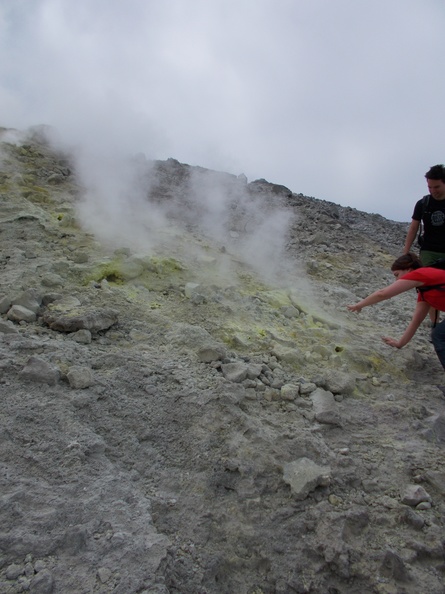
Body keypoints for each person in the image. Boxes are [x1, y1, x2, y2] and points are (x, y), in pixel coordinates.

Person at [347, 252, 445, 370]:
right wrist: (400, 343)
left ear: (409, 269)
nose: (397, 280)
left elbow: (383, 294)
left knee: (439, 336)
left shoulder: (420, 274)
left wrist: (359, 305)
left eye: (397, 274)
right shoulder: (424, 290)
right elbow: (417, 320)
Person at [403, 164, 445, 324]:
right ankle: (435, 324)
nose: (433, 191)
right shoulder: (423, 203)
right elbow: (414, 228)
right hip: (429, 251)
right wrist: (406, 251)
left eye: (437, 187)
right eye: (430, 187)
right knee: (429, 288)